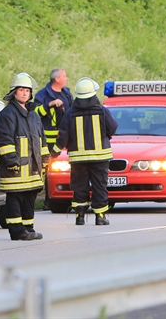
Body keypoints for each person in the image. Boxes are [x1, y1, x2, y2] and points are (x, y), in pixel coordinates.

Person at [53, 77, 118, 225]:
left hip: (78, 159)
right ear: (93, 93)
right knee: (99, 186)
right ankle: (100, 217)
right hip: (100, 158)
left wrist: (54, 153)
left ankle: (80, 217)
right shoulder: (102, 111)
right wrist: (105, 135)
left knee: (79, 187)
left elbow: (63, 135)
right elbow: (113, 127)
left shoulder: (70, 113)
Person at [0, 72, 49, 241]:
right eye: (21, 90)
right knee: (15, 199)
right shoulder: (8, 114)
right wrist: (11, 160)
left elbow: (41, 139)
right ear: (14, 92)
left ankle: (28, 228)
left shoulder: (33, 114)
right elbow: (3, 139)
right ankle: (17, 231)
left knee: (29, 198)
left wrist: (45, 159)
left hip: (32, 170)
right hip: (16, 169)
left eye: (27, 90)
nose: (25, 93)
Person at [33, 67, 73, 210]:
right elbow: (35, 113)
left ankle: (70, 197)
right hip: (49, 141)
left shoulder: (67, 93)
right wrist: (48, 105)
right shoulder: (43, 95)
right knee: (49, 170)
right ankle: (48, 200)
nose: (66, 79)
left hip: (66, 139)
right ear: (57, 79)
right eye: (64, 76)